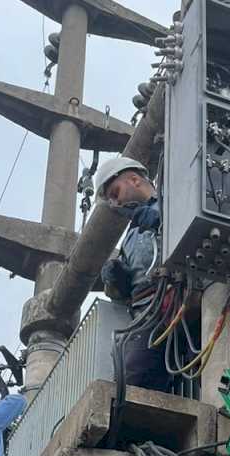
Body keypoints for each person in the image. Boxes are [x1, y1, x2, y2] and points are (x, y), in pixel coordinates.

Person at [96, 156, 171, 393]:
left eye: (115, 193)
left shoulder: (174, 201)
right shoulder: (131, 235)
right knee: (131, 376)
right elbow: (123, 296)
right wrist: (118, 280)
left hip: (173, 297)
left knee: (132, 380)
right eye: (110, 200)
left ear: (134, 180)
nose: (115, 203)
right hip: (145, 313)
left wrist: (163, 223)